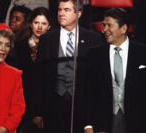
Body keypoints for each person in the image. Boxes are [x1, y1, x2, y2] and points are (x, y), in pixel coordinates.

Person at [31, 0, 103, 133]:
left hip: (83, 107)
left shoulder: (93, 39)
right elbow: (38, 77)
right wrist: (37, 111)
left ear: (79, 14)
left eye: (66, 10)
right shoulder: (47, 39)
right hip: (53, 105)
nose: (61, 13)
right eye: (59, 10)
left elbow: (97, 78)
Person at [85, 8, 146, 133]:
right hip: (104, 124)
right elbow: (88, 93)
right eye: (104, 25)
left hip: (138, 123)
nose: (104, 29)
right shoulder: (94, 54)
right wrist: (88, 126)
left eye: (109, 25)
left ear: (124, 29)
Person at [15, 7, 51, 133]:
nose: (39, 27)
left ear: (49, 26)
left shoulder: (53, 48)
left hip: (45, 103)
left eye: (43, 23)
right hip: (23, 100)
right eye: (36, 23)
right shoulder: (20, 46)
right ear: (30, 24)